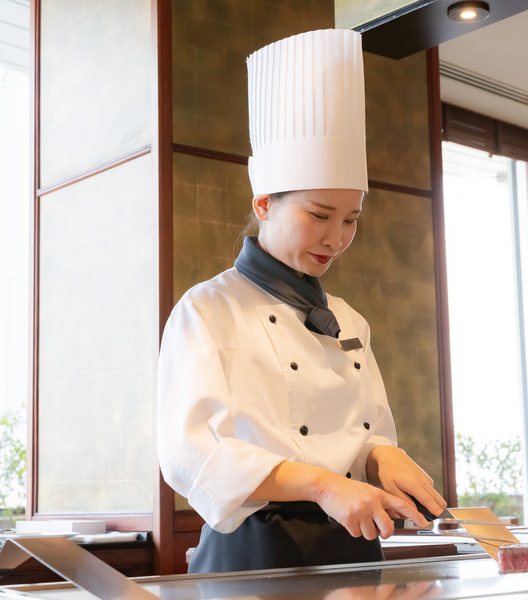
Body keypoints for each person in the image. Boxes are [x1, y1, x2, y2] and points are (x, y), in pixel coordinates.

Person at [157, 28, 447, 574]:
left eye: (351, 219)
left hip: (353, 545)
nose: (336, 238)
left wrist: (383, 456)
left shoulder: (350, 318)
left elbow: (365, 432)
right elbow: (193, 454)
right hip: (255, 554)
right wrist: (322, 485)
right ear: (264, 204)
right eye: (319, 215)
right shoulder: (207, 310)